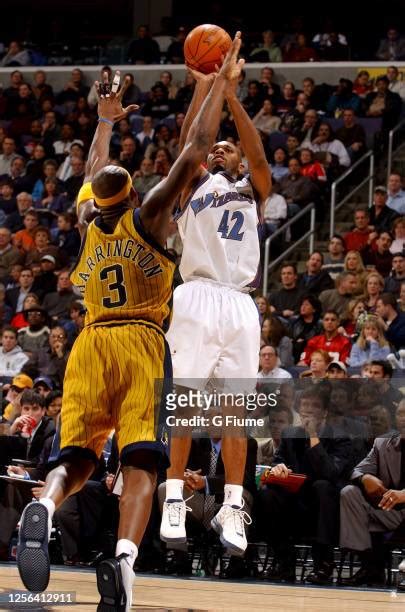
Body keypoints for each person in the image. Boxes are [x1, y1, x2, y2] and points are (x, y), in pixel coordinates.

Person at [17, 40, 245, 611]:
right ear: (135, 195)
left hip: (88, 342)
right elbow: (194, 151)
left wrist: (104, 120)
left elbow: (95, 170)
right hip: (141, 342)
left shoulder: (88, 220)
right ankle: (123, 561)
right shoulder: (149, 217)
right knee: (143, 460)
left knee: (75, 459)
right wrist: (214, 83)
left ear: (97, 198)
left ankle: (43, 506)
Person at [160, 34, 271, 558]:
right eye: (218, 145)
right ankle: (176, 495)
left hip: (241, 302)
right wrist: (208, 90)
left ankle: (232, 503)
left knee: (235, 411)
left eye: (228, 147)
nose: (223, 148)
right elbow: (190, 146)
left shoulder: (255, 189)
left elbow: (258, 154)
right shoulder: (194, 184)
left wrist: (229, 94)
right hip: (199, 293)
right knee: (184, 402)